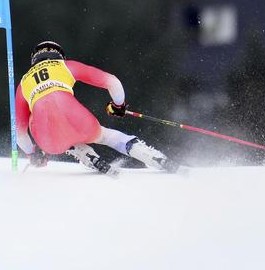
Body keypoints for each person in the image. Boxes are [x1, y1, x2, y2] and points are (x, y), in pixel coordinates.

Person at [16, 40, 178, 174]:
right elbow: (112, 81)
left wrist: (32, 154)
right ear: (59, 55)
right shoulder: (64, 66)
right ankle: (152, 156)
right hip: (78, 120)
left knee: (34, 115)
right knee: (105, 136)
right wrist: (118, 105)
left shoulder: (23, 84)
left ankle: (86, 155)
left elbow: (19, 132)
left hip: (49, 141)